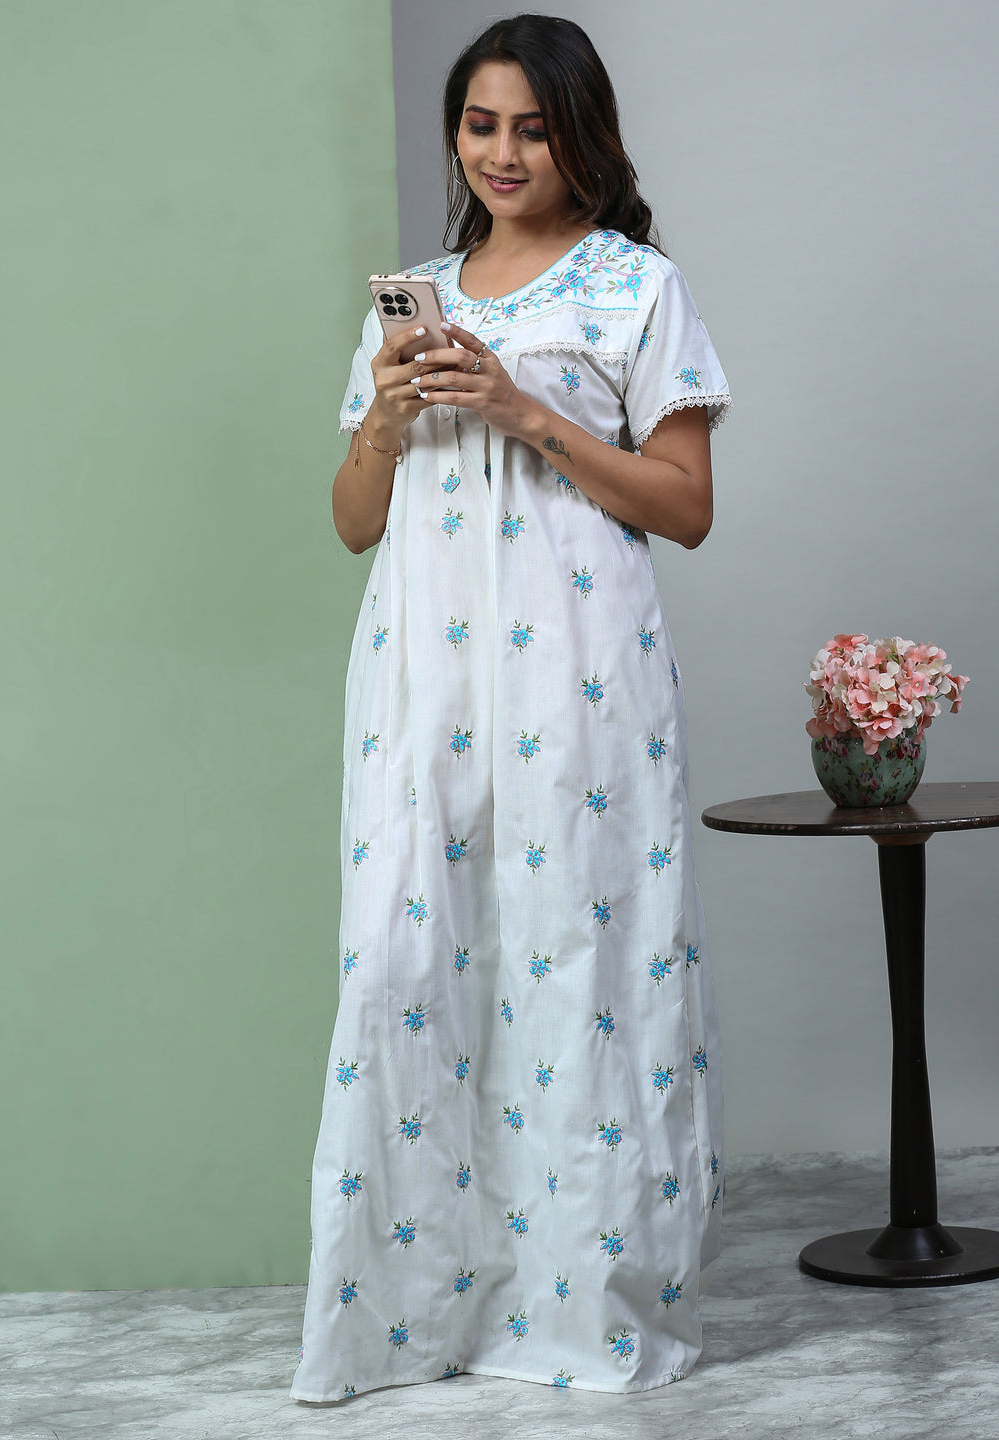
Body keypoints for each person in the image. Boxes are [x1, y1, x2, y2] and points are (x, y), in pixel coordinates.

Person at [290, 13, 731, 1403]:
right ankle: (411, 1317)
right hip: (421, 675)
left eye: (533, 128)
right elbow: (354, 522)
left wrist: (525, 406)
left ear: (582, 136)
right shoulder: (413, 296)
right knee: (401, 965)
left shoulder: (634, 287)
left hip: (578, 677)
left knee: (578, 968)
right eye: (480, 125)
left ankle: (586, 1315)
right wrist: (388, 417)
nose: (502, 152)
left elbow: (687, 507)